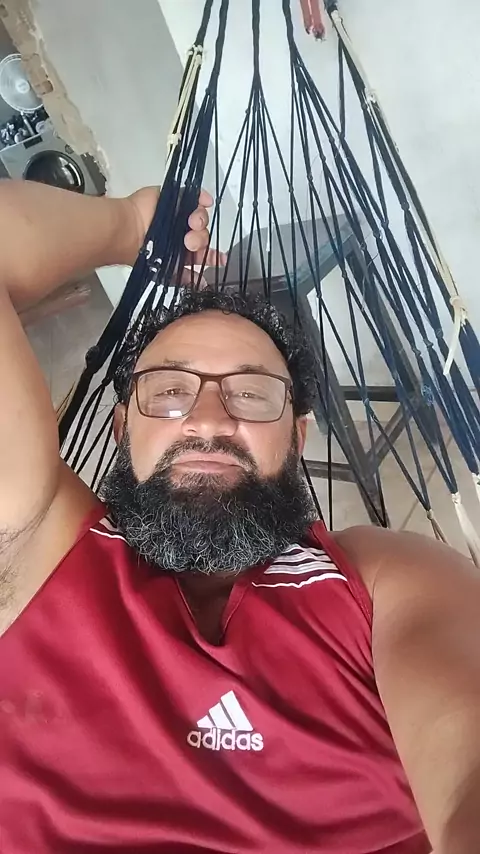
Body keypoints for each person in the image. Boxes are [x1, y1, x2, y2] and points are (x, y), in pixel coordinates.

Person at [0, 180, 479, 854]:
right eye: (169, 390)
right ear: (121, 428)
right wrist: (130, 226)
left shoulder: (383, 584)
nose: (207, 419)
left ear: (297, 438)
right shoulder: (35, 550)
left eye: (252, 394)